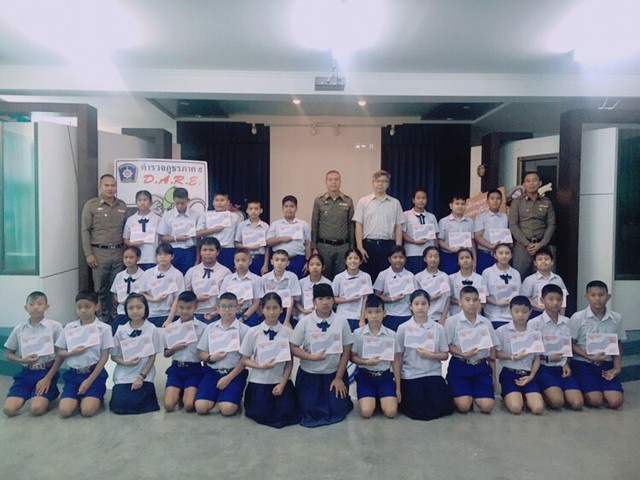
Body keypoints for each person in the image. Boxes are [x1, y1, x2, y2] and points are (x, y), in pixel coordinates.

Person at [290, 283, 354, 427]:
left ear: (333, 300)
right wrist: (311, 357)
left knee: (337, 410)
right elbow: (293, 347)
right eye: (320, 299)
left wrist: (339, 378)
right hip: (309, 375)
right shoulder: (305, 322)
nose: (325, 302)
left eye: (328, 298)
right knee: (310, 411)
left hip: (333, 374)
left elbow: (346, 351)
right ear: (314, 301)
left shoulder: (341, 321)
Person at [239, 292, 301, 428]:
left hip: (280, 381)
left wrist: (282, 384)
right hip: (259, 382)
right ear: (262, 309)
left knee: (287, 413)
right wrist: (260, 366)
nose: (271, 312)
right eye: (268, 308)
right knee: (261, 414)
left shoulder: (288, 332)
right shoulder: (253, 332)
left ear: (281, 309)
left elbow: (289, 364)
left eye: (275, 308)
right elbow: (244, 360)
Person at [394, 290, 453, 421]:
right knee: (417, 410)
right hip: (411, 375)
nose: (420, 307)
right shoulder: (403, 328)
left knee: (441, 407)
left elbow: (445, 355)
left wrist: (431, 355)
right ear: (410, 306)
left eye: (423, 303)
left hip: (433, 373)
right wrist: (398, 387)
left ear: (429, 305)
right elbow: (398, 357)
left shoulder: (438, 328)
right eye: (416, 304)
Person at [3, 291, 63, 417]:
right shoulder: (19, 329)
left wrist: (48, 378)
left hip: (46, 371)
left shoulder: (55, 327)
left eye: (40, 304)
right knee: (9, 410)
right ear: (26, 308)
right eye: (31, 304)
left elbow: (61, 354)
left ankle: (50, 392)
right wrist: (22, 360)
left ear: (47, 306)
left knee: (37, 409)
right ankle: (31, 392)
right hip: (26, 372)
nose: (36, 307)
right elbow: (9, 354)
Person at [56, 290, 114, 418]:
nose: (83, 310)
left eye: (87, 307)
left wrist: (89, 380)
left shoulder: (104, 328)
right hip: (73, 374)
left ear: (96, 306)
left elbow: (104, 357)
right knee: (64, 411)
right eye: (79, 307)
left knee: (87, 411)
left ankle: (94, 398)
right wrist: (72, 352)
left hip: (94, 373)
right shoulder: (69, 327)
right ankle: (78, 398)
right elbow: (60, 351)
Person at [569, 280, 625, 409]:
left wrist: (617, 367)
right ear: (586, 296)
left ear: (608, 296)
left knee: (615, 402)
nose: (597, 299)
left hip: (606, 364)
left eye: (601, 295)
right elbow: (571, 344)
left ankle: (601, 388)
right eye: (593, 295)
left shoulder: (616, 318)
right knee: (595, 401)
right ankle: (587, 389)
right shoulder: (577, 317)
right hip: (584, 363)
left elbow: (618, 344)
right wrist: (589, 357)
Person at [81, 173, 127, 323]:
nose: (110, 188)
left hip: (119, 252)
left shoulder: (122, 206)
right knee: (100, 288)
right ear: (99, 187)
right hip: (99, 253)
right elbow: (85, 231)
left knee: (117, 287)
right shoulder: (91, 205)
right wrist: (88, 254)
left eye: (113, 185)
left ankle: (116, 319)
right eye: (106, 185)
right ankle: (102, 319)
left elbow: (126, 230)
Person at [529, 284, 583, 410]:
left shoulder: (567, 321)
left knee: (577, 403)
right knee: (557, 402)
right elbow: (531, 352)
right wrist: (548, 358)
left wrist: (566, 363)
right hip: (544, 367)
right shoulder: (534, 324)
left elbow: (568, 346)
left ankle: (559, 390)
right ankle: (543, 392)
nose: (555, 303)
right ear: (542, 300)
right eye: (551, 299)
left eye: (559, 299)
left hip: (562, 367)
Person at [445, 286, 498, 414]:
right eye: (467, 300)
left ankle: (475, 395)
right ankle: (466, 396)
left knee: (487, 407)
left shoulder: (486, 323)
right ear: (460, 302)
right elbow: (448, 346)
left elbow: (492, 350)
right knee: (463, 407)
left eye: (475, 300)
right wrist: (463, 354)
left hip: (481, 366)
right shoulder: (452, 322)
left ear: (479, 301)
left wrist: (494, 376)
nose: (471, 303)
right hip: (460, 366)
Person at [195, 292, 249, 416]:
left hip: (233, 373)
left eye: (231, 306)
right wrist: (211, 357)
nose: (227, 310)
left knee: (227, 409)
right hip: (211, 372)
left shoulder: (245, 330)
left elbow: (244, 359)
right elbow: (201, 353)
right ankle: (219, 397)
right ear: (218, 309)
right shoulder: (210, 328)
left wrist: (228, 378)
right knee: (201, 408)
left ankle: (231, 399)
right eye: (223, 306)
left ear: (237, 308)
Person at [109, 293, 162, 415]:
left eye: (139, 307)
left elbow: (152, 357)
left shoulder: (152, 329)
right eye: (131, 308)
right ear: (126, 310)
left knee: (140, 403)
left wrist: (141, 377)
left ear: (145, 308)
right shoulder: (121, 329)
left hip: (144, 373)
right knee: (120, 405)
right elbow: (113, 356)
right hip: (124, 373)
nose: (135, 311)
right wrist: (125, 362)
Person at [351, 295, 399, 419]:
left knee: (391, 413)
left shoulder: (392, 334)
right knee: (366, 413)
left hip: (385, 376)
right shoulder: (358, 334)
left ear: (384, 313)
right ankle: (373, 399)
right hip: (365, 376)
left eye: (378, 312)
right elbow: (352, 357)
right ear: (365, 314)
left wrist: (398, 388)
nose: (374, 316)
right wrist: (366, 362)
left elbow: (396, 361)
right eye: (370, 312)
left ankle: (381, 398)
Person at [494, 296, 544, 415]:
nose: (520, 315)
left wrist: (531, 376)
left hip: (528, 374)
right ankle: (510, 397)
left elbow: (537, 357)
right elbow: (495, 354)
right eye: (516, 311)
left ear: (530, 312)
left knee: (538, 409)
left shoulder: (534, 333)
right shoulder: (501, 331)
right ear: (510, 311)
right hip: (509, 373)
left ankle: (525, 397)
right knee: (516, 408)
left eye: (524, 312)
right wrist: (513, 357)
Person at [353, 170, 404, 283]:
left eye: (383, 181)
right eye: (377, 181)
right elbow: (358, 224)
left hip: (388, 246)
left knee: (386, 279)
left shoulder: (395, 203)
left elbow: (398, 226)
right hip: (368, 246)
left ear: (388, 184)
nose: (380, 184)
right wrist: (360, 247)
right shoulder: (363, 202)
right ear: (373, 183)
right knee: (367, 278)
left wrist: (398, 248)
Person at [163, 291, 207, 413]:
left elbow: (205, 352)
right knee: (169, 406)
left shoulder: (203, 328)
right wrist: (174, 348)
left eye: (189, 308)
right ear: (177, 307)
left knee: (189, 406)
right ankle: (180, 391)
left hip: (194, 369)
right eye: (181, 308)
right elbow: (166, 354)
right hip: (176, 368)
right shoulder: (171, 328)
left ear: (196, 307)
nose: (184, 311)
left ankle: (187, 392)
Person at [508, 171, 556, 278]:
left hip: (542, 246)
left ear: (540, 183)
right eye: (528, 181)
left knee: (545, 277)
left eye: (534, 180)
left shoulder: (547, 202)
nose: (531, 183)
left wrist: (542, 243)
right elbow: (513, 224)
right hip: (522, 247)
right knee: (519, 276)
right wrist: (527, 244)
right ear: (524, 184)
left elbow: (551, 224)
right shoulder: (517, 202)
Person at [310, 170, 354, 280]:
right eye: (330, 180)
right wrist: (314, 247)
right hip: (324, 247)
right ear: (326, 182)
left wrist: (352, 247)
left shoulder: (348, 200)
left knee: (342, 278)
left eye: (336, 179)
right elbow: (314, 225)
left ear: (340, 181)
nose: (333, 182)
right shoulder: (319, 200)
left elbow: (351, 225)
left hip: (343, 247)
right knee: (325, 278)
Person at [183, 237, 231, 322]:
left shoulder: (225, 272)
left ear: (217, 252)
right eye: (204, 250)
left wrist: (218, 311)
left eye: (211, 250)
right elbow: (184, 294)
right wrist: (195, 299)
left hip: (217, 315)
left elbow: (229, 297)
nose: (207, 253)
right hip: (194, 314)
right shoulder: (192, 271)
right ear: (200, 252)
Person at [373, 246, 419, 331]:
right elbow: (377, 296)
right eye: (395, 257)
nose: (398, 260)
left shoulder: (410, 276)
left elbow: (415, 297)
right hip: (389, 314)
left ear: (405, 259)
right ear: (389, 259)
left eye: (401, 257)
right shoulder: (383, 275)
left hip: (407, 314)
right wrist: (392, 299)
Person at [139, 244, 185, 327]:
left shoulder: (177, 274)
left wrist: (169, 320)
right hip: (151, 315)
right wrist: (154, 299)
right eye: (160, 254)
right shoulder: (148, 273)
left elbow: (178, 298)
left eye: (166, 254)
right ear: (156, 257)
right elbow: (141, 293)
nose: (162, 257)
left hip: (170, 315)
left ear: (172, 256)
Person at [266, 195, 311, 279]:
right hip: (279, 260)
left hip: (298, 260)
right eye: (286, 206)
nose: (289, 209)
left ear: (296, 208)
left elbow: (307, 244)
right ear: (282, 208)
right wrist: (281, 239)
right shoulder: (275, 224)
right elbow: (268, 242)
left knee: (297, 282)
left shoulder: (304, 224)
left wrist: (308, 261)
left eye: (292, 206)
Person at [157, 187, 199, 275]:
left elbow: (199, 239)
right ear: (173, 200)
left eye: (182, 203)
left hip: (190, 251)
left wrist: (198, 258)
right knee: (172, 277)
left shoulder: (196, 216)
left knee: (189, 276)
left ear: (188, 200)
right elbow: (162, 238)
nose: (179, 206)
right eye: (177, 203)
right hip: (173, 251)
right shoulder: (167, 216)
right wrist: (176, 238)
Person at [220, 249, 264, 327]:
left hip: (249, 314)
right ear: (234, 262)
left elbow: (256, 302)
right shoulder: (227, 279)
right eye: (237, 260)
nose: (240, 263)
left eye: (243, 260)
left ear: (250, 261)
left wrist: (243, 318)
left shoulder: (256, 279)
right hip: (230, 313)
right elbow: (222, 299)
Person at [482, 243, 522, 329]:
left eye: (507, 253)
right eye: (501, 253)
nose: (504, 256)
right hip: (493, 315)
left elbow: (518, 293)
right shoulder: (487, 272)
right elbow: (483, 295)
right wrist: (497, 303)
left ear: (511, 255)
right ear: (495, 255)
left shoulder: (516, 273)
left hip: (513, 315)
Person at [196, 191, 239, 271]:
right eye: (217, 200)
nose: (219, 203)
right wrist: (213, 230)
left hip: (227, 251)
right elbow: (198, 234)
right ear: (213, 202)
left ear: (228, 202)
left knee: (228, 274)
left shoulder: (235, 217)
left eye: (222, 200)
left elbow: (238, 237)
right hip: (210, 250)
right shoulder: (206, 215)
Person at [332, 248, 373, 332]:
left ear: (360, 261)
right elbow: (333, 299)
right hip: (342, 315)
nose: (353, 261)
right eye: (350, 258)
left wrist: (362, 320)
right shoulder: (339, 277)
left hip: (358, 317)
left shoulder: (366, 277)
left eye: (356, 258)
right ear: (345, 261)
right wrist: (349, 299)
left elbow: (365, 299)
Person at [261, 249, 302, 329]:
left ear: (288, 263)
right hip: (269, 311)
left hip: (286, 312)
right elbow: (261, 300)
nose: (279, 263)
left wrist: (287, 321)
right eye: (277, 260)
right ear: (272, 262)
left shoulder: (293, 277)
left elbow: (291, 299)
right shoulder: (264, 278)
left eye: (283, 260)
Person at [520, 247, 568, 315]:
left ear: (552, 262)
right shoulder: (530, 279)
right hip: (536, 312)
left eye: (546, 259)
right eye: (540, 259)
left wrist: (562, 315)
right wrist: (538, 306)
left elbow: (563, 298)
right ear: (535, 263)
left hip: (555, 313)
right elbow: (525, 298)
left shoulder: (558, 279)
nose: (543, 261)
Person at [402, 188, 439, 274]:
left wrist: (436, 251)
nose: (421, 200)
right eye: (418, 198)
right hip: (412, 253)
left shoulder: (431, 216)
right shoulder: (406, 215)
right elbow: (402, 234)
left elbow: (435, 237)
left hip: (429, 255)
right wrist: (414, 241)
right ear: (413, 200)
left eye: (424, 198)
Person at [123, 190, 161, 271]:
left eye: (145, 200)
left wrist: (159, 256)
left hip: (152, 258)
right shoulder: (131, 219)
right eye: (139, 200)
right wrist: (133, 243)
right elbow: (125, 239)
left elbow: (161, 240)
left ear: (150, 202)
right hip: (135, 259)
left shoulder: (157, 219)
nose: (142, 203)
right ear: (136, 202)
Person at [474, 189, 510, 273]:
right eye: (492, 198)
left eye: (498, 198)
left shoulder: (506, 217)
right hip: (485, 254)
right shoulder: (480, 217)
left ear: (501, 201)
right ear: (487, 201)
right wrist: (491, 246)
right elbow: (478, 236)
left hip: (502, 256)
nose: (495, 201)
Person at [438, 194, 475, 274]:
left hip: (466, 256)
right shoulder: (443, 221)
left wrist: (474, 259)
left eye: (462, 204)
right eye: (457, 203)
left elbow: (472, 241)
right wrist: (450, 249)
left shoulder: (470, 221)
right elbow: (440, 241)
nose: (460, 206)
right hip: (448, 256)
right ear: (451, 206)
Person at [110, 246, 144, 334]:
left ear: (138, 258)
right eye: (126, 257)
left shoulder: (144, 275)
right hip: (122, 312)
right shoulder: (119, 276)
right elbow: (114, 293)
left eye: (131, 257)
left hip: (138, 313)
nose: (128, 260)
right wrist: (119, 300)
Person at [414, 246, 451, 325]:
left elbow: (448, 298)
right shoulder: (418, 277)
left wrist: (443, 317)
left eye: (436, 256)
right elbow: (415, 299)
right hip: (424, 317)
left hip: (441, 317)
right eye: (430, 256)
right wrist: (430, 298)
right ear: (425, 259)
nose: (433, 259)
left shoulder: (444, 276)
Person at [234, 199, 270, 276]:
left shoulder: (265, 226)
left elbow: (267, 247)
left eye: (256, 209)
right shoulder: (242, 225)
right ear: (247, 210)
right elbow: (236, 244)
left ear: (261, 210)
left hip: (260, 258)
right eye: (251, 209)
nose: (253, 211)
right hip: (245, 258)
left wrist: (265, 264)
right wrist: (248, 247)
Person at [448, 248, 486, 317]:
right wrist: (462, 302)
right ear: (458, 262)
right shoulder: (451, 278)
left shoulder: (480, 278)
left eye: (467, 257)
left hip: (475, 314)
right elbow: (448, 298)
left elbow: (482, 300)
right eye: (462, 258)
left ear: (472, 260)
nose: (465, 260)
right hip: (455, 314)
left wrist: (476, 316)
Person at [296, 253, 332, 320]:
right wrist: (304, 311)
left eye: (318, 265)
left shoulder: (328, 283)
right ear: (307, 267)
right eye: (312, 264)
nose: (315, 267)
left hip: (323, 316)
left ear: (323, 267)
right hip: (304, 316)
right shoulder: (301, 283)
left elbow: (331, 302)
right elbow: (296, 302)